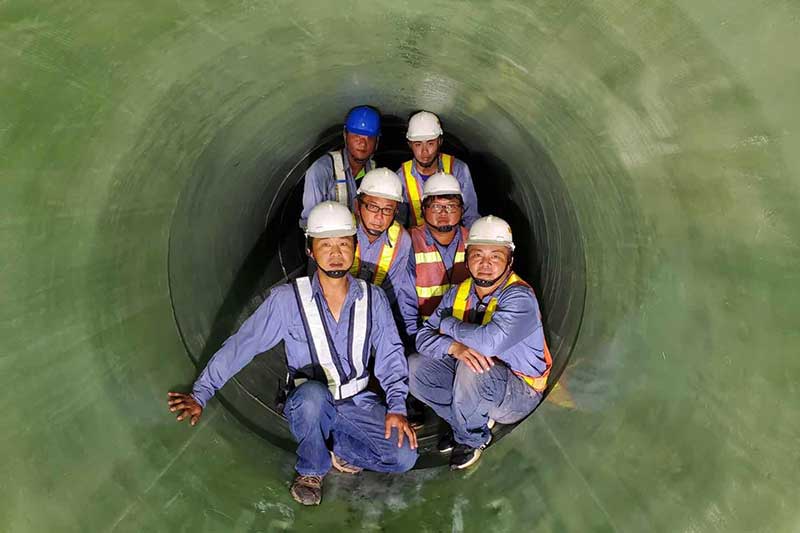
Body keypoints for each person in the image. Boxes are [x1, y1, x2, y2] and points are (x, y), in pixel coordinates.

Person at [168, 201, 418, 506]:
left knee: (405, 456)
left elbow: (392, 356)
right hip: (308, 402)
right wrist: (201, 392)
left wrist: (396, 408)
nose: (336, 252)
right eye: (326, 244)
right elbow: (243, 345)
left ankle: (335, 446)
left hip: (357, 402)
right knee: (313, 396)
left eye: (343, 243)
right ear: (311, 251)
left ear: (355, 248)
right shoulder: (287, 301)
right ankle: (312, 469)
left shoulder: (373, 298)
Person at [409, 215, 552, 470]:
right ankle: (464, 421)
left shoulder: (519, 297)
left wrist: (448, 325)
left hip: (520, 392)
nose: (485, 264)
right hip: (478, 380)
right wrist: (453, 347)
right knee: (413, 368)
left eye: (495, 256)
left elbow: (488, 344)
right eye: (477, 255)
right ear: (467, 257)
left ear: (510, 260)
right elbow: (422, 338)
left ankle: (470, 439)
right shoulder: (460, 292)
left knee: (472, 366)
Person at [350, 167, 418, 340]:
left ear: (396, 212)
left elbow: (390, 292)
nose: (379, 217)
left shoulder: (401, 240)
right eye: (373, 207)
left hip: (375, 312)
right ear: (358, 206)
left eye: (387, 210)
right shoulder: (341, 228)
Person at [407, 172, 470, 336]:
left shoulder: (474, 241)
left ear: (462, 210)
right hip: (425, 334)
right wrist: (416, 340)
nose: (443, 213)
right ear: (423, 209)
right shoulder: (410, 242)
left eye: (451, 206)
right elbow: (405, 301)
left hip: (468, 333)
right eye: (435, 206)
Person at [299, 106, 381, 228]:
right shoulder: (322, 169)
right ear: (345, 135)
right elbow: (310, 223)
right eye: (357, 136)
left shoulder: (374, 173)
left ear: (377, 141)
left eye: (370, 138)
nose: (363, 143)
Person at [397, 111, 479, 228]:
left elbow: (470, 216)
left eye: (430, 144)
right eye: (418, 144)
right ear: (410, 144)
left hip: (453, 239)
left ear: (440, 141)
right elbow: (398, 223)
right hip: (418, 242)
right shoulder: (401, 177)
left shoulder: (458, 170)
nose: (424, 152)